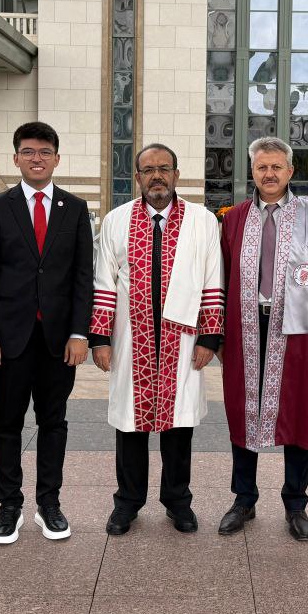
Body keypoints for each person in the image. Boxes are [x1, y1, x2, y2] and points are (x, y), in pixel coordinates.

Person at [89, 143, 224, 535]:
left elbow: (212, 279)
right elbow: (104, 281)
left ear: (176, 174)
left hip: (183, 340)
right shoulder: (116, 220)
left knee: (179, 426)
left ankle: (178, 502)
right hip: (131, 338)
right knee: (130, 425)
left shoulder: (202, 221)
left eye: (164, 168)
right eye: (148, 170)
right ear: (138, 177)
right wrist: (100, 338)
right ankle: (127, 503)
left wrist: (209, 337)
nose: (157, 176)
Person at [0, 122, 93, 544]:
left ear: (57, 158)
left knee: (53, 423)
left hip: (59, 341)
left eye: (44, 152)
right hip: (9, 341)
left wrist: (80, 332)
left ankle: (49, 504)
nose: (36, 158)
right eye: (28, 151)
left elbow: (83, 277)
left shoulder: (74, 209)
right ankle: (9, 506)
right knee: (6, 424)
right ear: (16, 158)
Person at [217, 136, 308, 542]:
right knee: (243, 409)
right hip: (245, 325)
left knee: (298, 412)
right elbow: (222, 277)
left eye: (276, 167)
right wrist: (217, 334)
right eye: (261, 167)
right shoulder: (234, 218)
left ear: (290, 171)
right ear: (252, 172)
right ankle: (243, 499)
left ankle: (296, 503)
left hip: (297, 328)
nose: (269, 174)